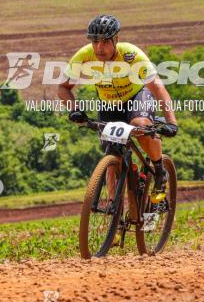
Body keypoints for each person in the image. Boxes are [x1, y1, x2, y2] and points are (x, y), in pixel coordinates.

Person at [58, 14, 177, 200]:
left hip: (136, 97)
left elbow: (157, 86)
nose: (99, 47)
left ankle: (160, 171)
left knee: (141, 125)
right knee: (112, 155)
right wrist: (74, 109)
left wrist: (171, 121)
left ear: (116, 39)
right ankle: (115, 212)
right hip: (109, 104)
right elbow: (63, 88)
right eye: (94, 41)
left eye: (105, 41)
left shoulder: (130, 54)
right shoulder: (84, 56)